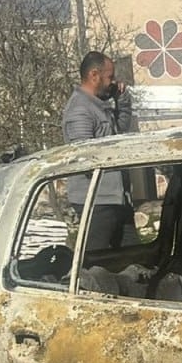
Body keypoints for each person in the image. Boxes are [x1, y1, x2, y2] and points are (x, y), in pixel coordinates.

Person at [61, 51, 136, 250]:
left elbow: (120, 132)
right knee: (97, 259)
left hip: (117, 197)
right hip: (95, 201)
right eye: (109, 77)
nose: (113, 83)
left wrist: (122, 99)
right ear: (94, 75)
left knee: (134, 256)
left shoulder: (99, 107)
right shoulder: (79, 111)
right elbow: (84, 160)